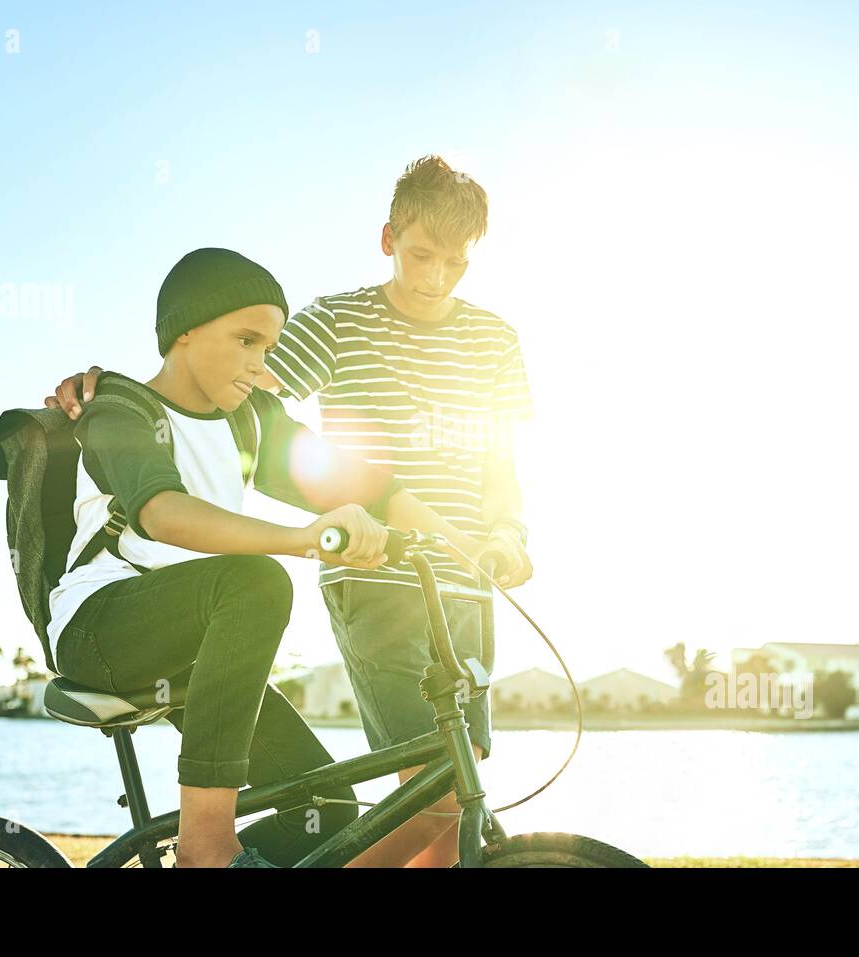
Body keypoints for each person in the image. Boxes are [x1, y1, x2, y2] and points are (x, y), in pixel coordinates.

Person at [48, 156, 535, 867]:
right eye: (248, 342)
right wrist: (306, 538)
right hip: (108, 626)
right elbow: (163, 513)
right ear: (185, 330)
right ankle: (206, 850)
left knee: (328, 807)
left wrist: (469, 543)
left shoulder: (249, 421)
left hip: (209, 633)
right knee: (255, 580)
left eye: (269, 347)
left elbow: (363, 484)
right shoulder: (127, 407)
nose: (262, 364)